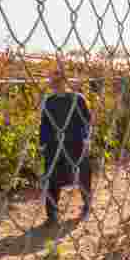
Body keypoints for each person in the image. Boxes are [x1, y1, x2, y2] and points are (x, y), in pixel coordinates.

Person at [39, 66, 93, 227]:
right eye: (52, 81)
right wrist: (42, 143)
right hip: (54, 146)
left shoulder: (78, 98)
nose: (54, 84)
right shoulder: (49, 101)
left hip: (76, 142)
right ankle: (52, 214)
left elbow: (87, 121)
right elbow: (44, 124)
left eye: (57, 81)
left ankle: (87, 204)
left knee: (83, 173)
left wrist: (87, 140)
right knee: (51, 178)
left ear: (64, 81)